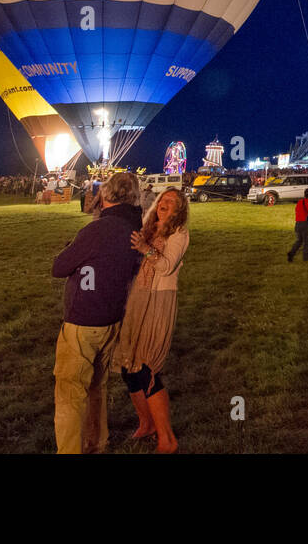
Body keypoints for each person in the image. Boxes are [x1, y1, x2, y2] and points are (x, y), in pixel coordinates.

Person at [51, 171, 143, 454]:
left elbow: (59, 267)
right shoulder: (135, 229)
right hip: (112, 318)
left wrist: (74, 248)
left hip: (82, 321)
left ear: (105, 194)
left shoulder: (97, 230)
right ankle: (96, 442)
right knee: (97, 387)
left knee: (70, 393)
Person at [114, 186, 189, 454]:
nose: (165, 203)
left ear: (179, 210)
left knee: (147, 368)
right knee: (128, 366)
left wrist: (145, 248)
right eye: (163, 199)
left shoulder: (179, 234)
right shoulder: (148, 227)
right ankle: (146, 423)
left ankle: (167, 439)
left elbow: (167, 265)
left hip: (158, 301)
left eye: (173, 201)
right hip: (137, 298)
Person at [288, 188, 308, 262]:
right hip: (305, 224)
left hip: (297, 223)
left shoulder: (300, 202)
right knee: (307, 242)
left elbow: (296, 211)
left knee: (299, 241)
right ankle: (305, 259)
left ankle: (291, 253)